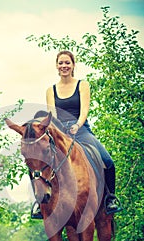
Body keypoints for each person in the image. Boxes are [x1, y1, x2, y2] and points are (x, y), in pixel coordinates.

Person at [31, 50, 122, 219]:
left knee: (108, 161)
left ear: (73, 65)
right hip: (59, 132)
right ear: (56, 66)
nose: (64, 66)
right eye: (61, 63)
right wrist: (59, 130)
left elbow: (84, 111)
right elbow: (53, 114)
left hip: (81, 130)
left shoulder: (82, 85)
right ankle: (39, 203)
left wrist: (77, 125)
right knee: (37, 161)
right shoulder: (51, 90)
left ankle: (110, 198)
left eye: (67, 63)